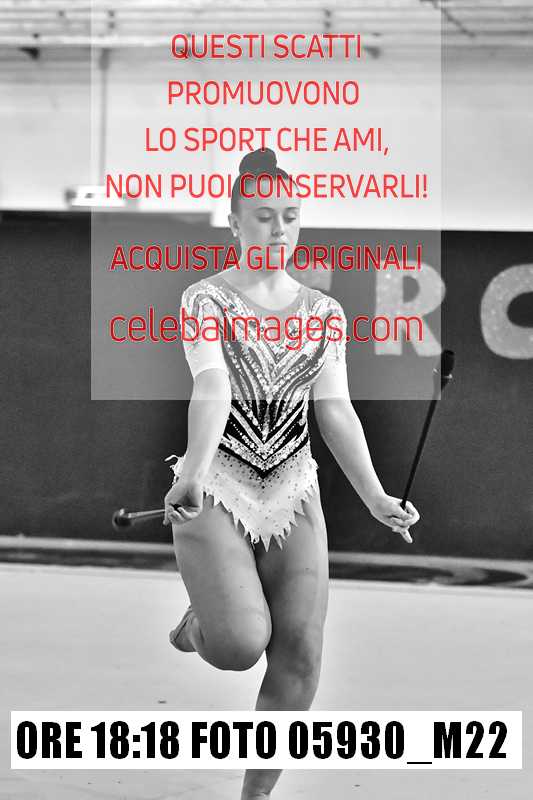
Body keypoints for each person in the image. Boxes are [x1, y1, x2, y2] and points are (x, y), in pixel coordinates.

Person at [163, 148, 419, 800]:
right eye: (263, 216)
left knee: (301, 652)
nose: (278, 228)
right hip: (216, 487)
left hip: (292, 491)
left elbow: (333, 408)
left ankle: (255, 796)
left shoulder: (324, 313)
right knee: (239, 644)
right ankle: (199, 624)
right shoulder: (205, 299)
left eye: (290, 216)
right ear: (234, 222)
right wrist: (192, 471)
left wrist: (375, 495)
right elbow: (213, 388)